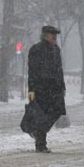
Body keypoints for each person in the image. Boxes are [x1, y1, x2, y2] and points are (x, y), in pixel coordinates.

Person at [27, 25, 66, 153]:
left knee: (57, 111)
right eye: (52, 34)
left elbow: (59, 69)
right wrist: (31, 90)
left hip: (55, 89)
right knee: (41, 116)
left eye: (55, 34)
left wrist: (62, 85)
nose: (54, 36)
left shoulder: (56, 49)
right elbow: (32, 71)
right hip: (40, 88)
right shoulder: (36, 49)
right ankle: (41, 144)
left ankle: (37, 132)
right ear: (45, 35)